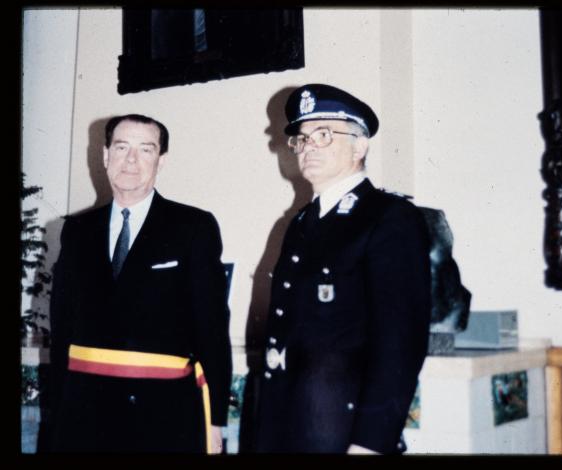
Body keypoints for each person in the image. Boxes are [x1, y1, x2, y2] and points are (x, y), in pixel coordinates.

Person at [254, 84, 431, 454]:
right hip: (288, 425)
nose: (308, 147)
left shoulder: (388, 217)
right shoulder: (301, 223)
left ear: (360, 145)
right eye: (302, 138)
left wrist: (371, 442)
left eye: (323, 134)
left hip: (341, 432)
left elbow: (400, 342)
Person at [48, 114, 232, 453]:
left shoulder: (193, 227)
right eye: (121, 147)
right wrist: (54, 414)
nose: (131, 160)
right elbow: (61, 330)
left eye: (145, 150)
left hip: (162, 415)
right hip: (83, 413)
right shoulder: (77, 230)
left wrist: (215, 419)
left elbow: (212, 328)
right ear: (105, 156)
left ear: (161, 161)